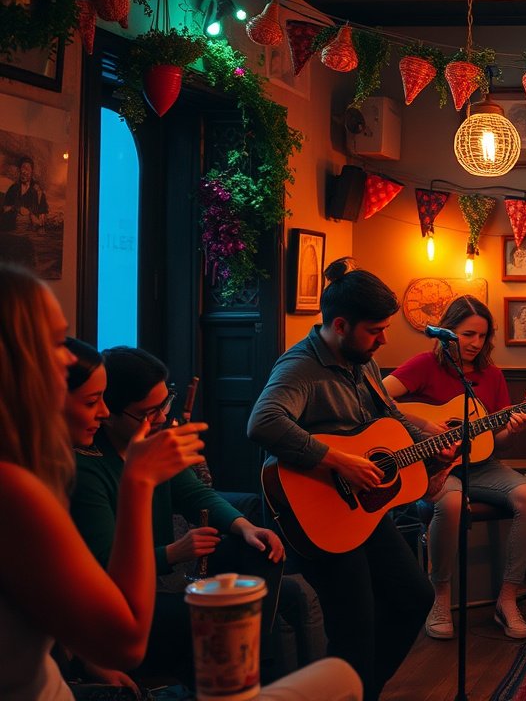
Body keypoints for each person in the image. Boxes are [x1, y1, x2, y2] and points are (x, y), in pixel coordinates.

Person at [0, 262, 360, 701]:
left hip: (74, 659)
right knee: (340, 678)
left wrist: (243, 526)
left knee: (280, 602)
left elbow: (191, 492)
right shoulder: (30, 485)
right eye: (55, 343)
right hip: (99, 647)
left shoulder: (34, 472)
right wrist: (140, 487)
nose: (69, 358)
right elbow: (123, 637)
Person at [248, 259, 435, 701]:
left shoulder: (361, 360)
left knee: (414, 597)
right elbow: (262, 422)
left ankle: (361, 692)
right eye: (376, 330)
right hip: (317, 513)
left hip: (363, 510)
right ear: (340, 325)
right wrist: (338, 461)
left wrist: (428, 442)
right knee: (355, 627)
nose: (384, 339)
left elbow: (386, 415)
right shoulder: (299, 368)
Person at [68, 346, 286, 685]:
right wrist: (173, 552)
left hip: (156, 578)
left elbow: (194, 493)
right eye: (148, 412)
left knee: (259, 551)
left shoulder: (155, 443)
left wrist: (244, 526)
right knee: (215, 618)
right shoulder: (88, 466)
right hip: (119, 596)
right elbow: (106, 562)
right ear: (110, 413)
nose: (162, 418)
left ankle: (252, 666)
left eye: (165, 403)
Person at [383, 295, 526, 641]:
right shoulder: (425, 365)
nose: (475, 343)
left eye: (482, 336)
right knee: (451, 503)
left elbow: (497, 442)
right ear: (448, 331)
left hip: (481, 466)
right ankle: (440, 595)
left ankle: (507, 597)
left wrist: (512, 430)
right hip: (435, 466)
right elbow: (378, 396)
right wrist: (425, 424)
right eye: (468, 334)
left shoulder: (492, 375)